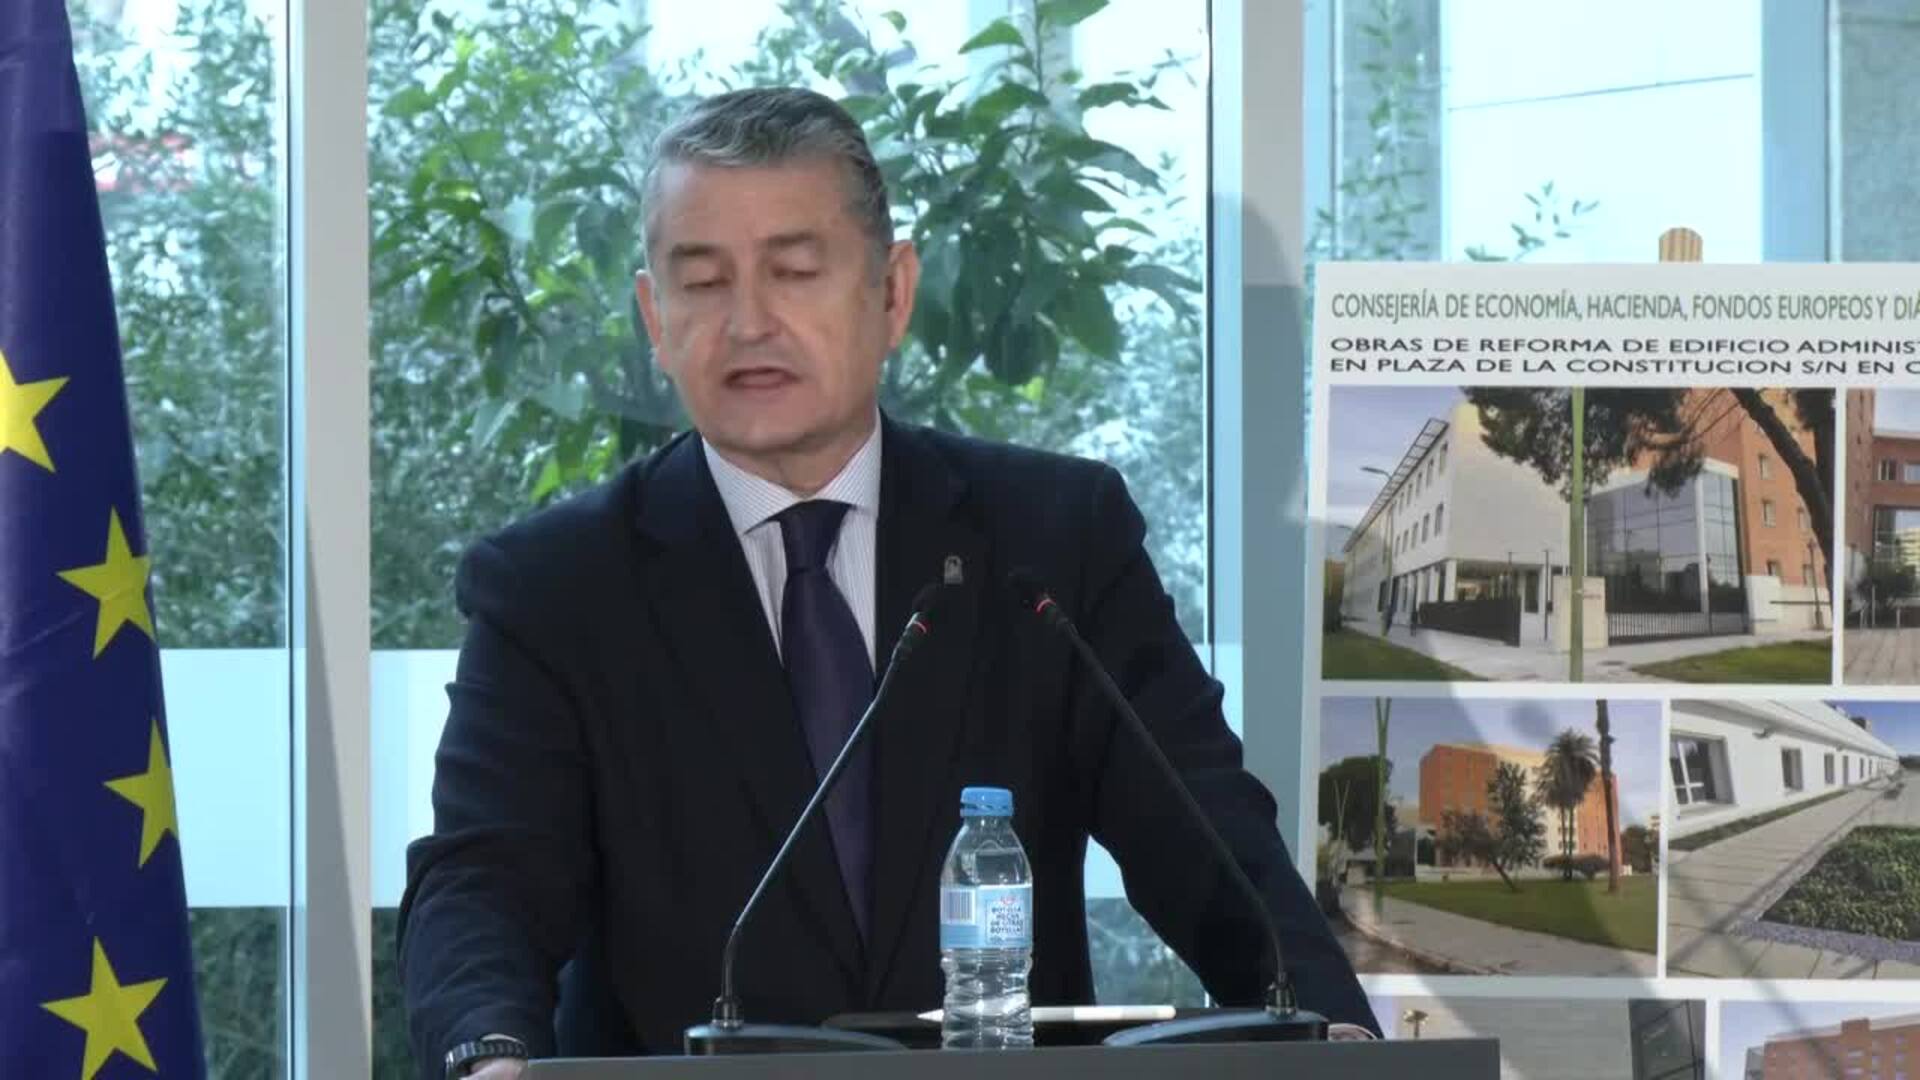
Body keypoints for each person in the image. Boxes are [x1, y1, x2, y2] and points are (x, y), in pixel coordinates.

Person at [397, 86, 1377, 1080]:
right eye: (702, 281)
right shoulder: (558, 587)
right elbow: (485, 879)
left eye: (794, 272)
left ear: (893, 292)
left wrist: (1331, 1028)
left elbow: (1205, 833)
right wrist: (491, 1055)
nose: (747, 322)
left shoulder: (1050, 541)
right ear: (655, 315)